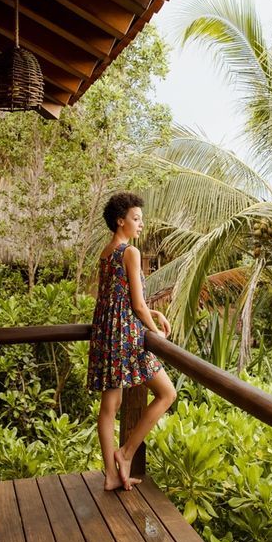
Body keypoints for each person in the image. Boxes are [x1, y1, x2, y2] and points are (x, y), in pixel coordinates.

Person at [87, 192, 176, 491]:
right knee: (167, 393)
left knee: (109, 407)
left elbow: (117, 299)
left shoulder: (105, 252)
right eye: (136, 219)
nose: (141, 224)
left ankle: (112, 474)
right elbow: (136, 305)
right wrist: (156, 333)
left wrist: (154, 311)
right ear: (120, 221)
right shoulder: (130, 252)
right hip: (127, 336)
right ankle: (125, 454)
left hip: (107, 332)